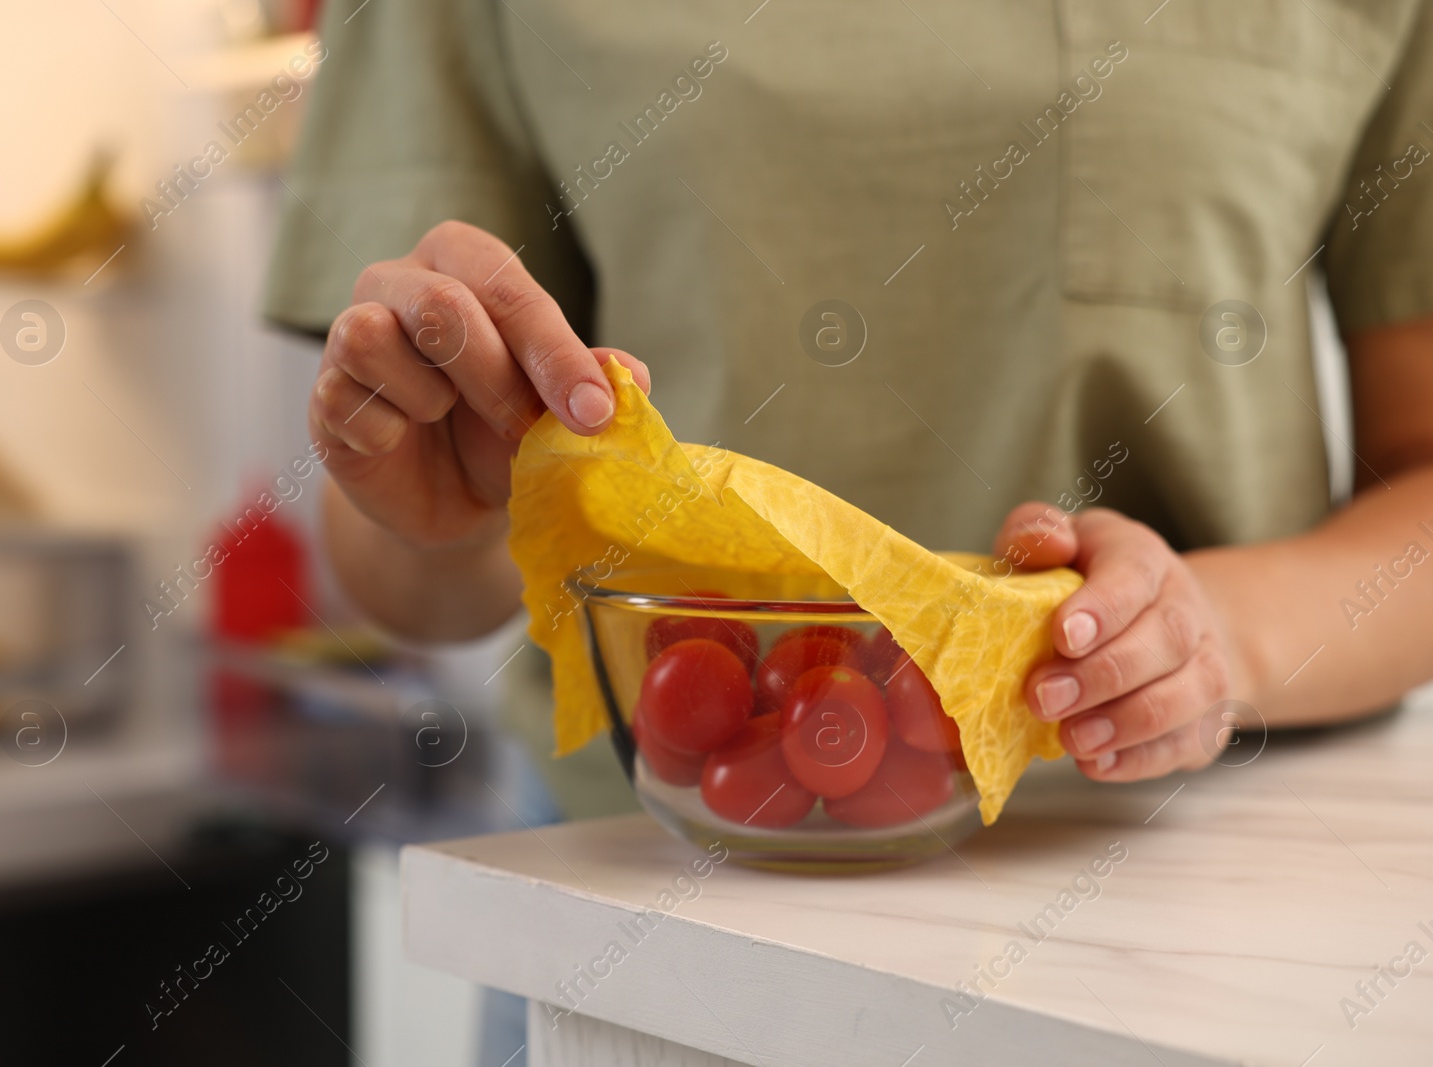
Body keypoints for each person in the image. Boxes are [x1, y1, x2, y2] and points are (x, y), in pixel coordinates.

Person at [266, 1, 1433, 798]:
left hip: (1205, 879)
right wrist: (453, 510)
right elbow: (408, 553)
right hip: (657, 882)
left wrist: (1212, 635)